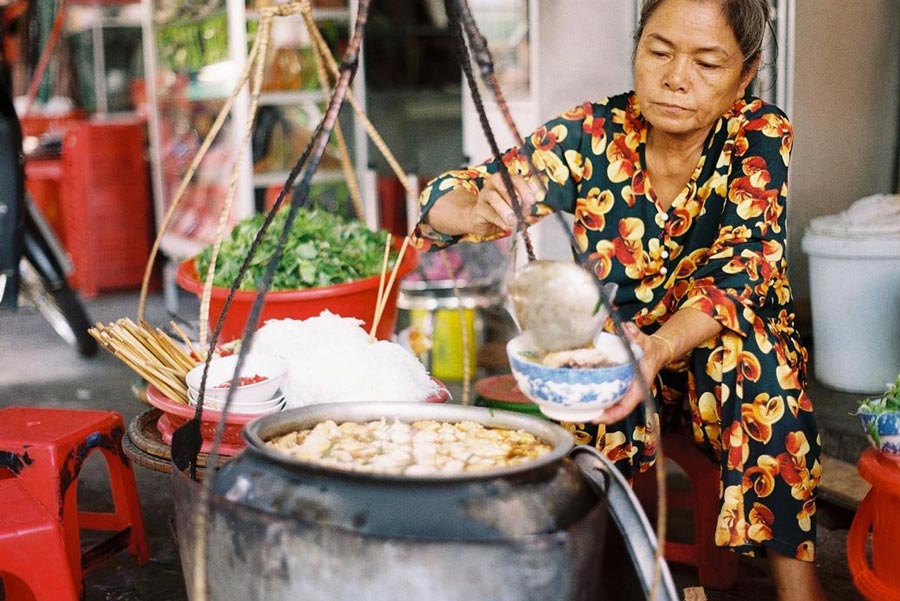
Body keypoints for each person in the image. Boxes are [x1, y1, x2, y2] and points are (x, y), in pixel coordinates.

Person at [411, 1, 826, 600]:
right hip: (625, 358)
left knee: (754, 362)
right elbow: (442, 200)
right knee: (584, 383)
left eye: (708, 63)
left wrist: (659, 347)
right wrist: (478, 207)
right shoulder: (591, 135)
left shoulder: (759, 134)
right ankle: (578, 570)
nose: (676, 77)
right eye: (659, 51)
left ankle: (798, 588)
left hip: (715, 356)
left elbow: (744, 269)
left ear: (747, 72)